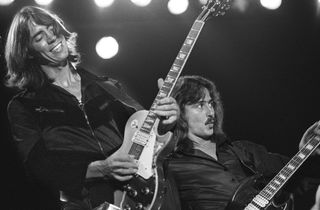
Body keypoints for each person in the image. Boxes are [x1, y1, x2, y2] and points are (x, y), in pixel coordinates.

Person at [4, 6, 180, 210]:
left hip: (135, 199)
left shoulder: (108, 86)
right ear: (27, 52)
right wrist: (101, 169)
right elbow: (39, 169)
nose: (52, 37)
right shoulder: (24, 106)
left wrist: (167, 122)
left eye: (51, 28)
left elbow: (149, 140)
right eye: (39, 37)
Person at [166, 75, 320, 210]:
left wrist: (307, 154)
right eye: (199, 105)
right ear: (179, 111)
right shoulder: (170, 166)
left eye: (211, 103)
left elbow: (300, 180)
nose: (210, 112)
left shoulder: (243, 150)